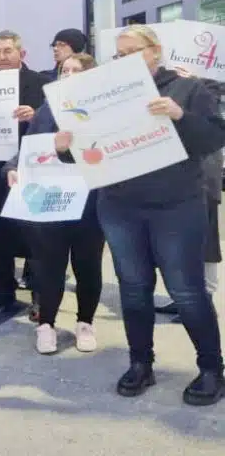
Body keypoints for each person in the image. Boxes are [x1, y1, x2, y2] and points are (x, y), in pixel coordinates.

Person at [56, 24, 225, 405]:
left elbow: (213, 139)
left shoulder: (187, 88)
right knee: (133, 289)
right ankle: (140, 363)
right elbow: (87, 148)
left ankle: (212, 368)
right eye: (119, 54)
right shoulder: (99, 93)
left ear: (155, 52)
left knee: (186, 290)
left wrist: (181, 115)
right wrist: (66, 147)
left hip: (176, 206)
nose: (124, 60)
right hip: (119, 205)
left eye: (133, 51)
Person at [3, 53, 104, 354]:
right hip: (50, 201)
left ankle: (85, 322)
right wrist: (11, 167)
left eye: (76, 70)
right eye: (64, 70)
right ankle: (46, 324)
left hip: (89, 203)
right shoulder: (46, 111)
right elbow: (28, 149)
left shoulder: (101, 110)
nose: (68, 74)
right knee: (49, 267)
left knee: (88, 267)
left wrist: (73, 146)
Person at [0, 30, 49, 315]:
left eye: (8, 50)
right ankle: (3, 290)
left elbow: (60, 115)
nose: (3, 56)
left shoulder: (42, 83)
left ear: (22, 53)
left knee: (36, 231)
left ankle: (41, 295)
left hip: (32, 163)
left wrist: (37, 113)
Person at [155, 69, 223, 324]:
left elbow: (212, 126)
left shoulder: (205, 87)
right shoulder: (168, 85)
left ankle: (205, 299)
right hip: (175, 179)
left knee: (206, 243)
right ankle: (183, 298)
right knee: (180, 245)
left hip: (203, 178)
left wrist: (195, 82)